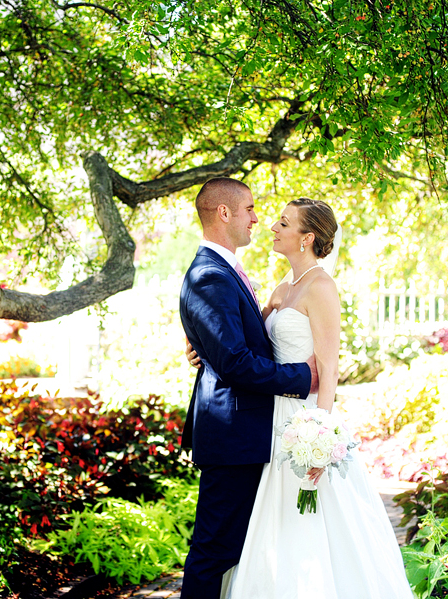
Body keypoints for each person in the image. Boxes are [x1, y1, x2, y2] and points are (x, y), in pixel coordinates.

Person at [221, 198, 414, 598]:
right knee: (272, 519)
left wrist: (320, 440)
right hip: (270, 419)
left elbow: (329, 369)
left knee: (307, 515)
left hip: (305, 421)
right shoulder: (280, 289)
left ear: (307, 238)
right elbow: (245, 349)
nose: (273, 226)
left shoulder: (322, 287)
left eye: (284, 222)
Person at [178, 178, 319, 599]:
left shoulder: (225, 271)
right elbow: (235, 362)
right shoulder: (210, 275)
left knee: (236, 547)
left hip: (250, 431)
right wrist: (302, 377)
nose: (258, 218)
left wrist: (204, 348)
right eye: (251, 209)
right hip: (233, 433)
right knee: (214, 550)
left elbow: (230, 345)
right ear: (225, 213)